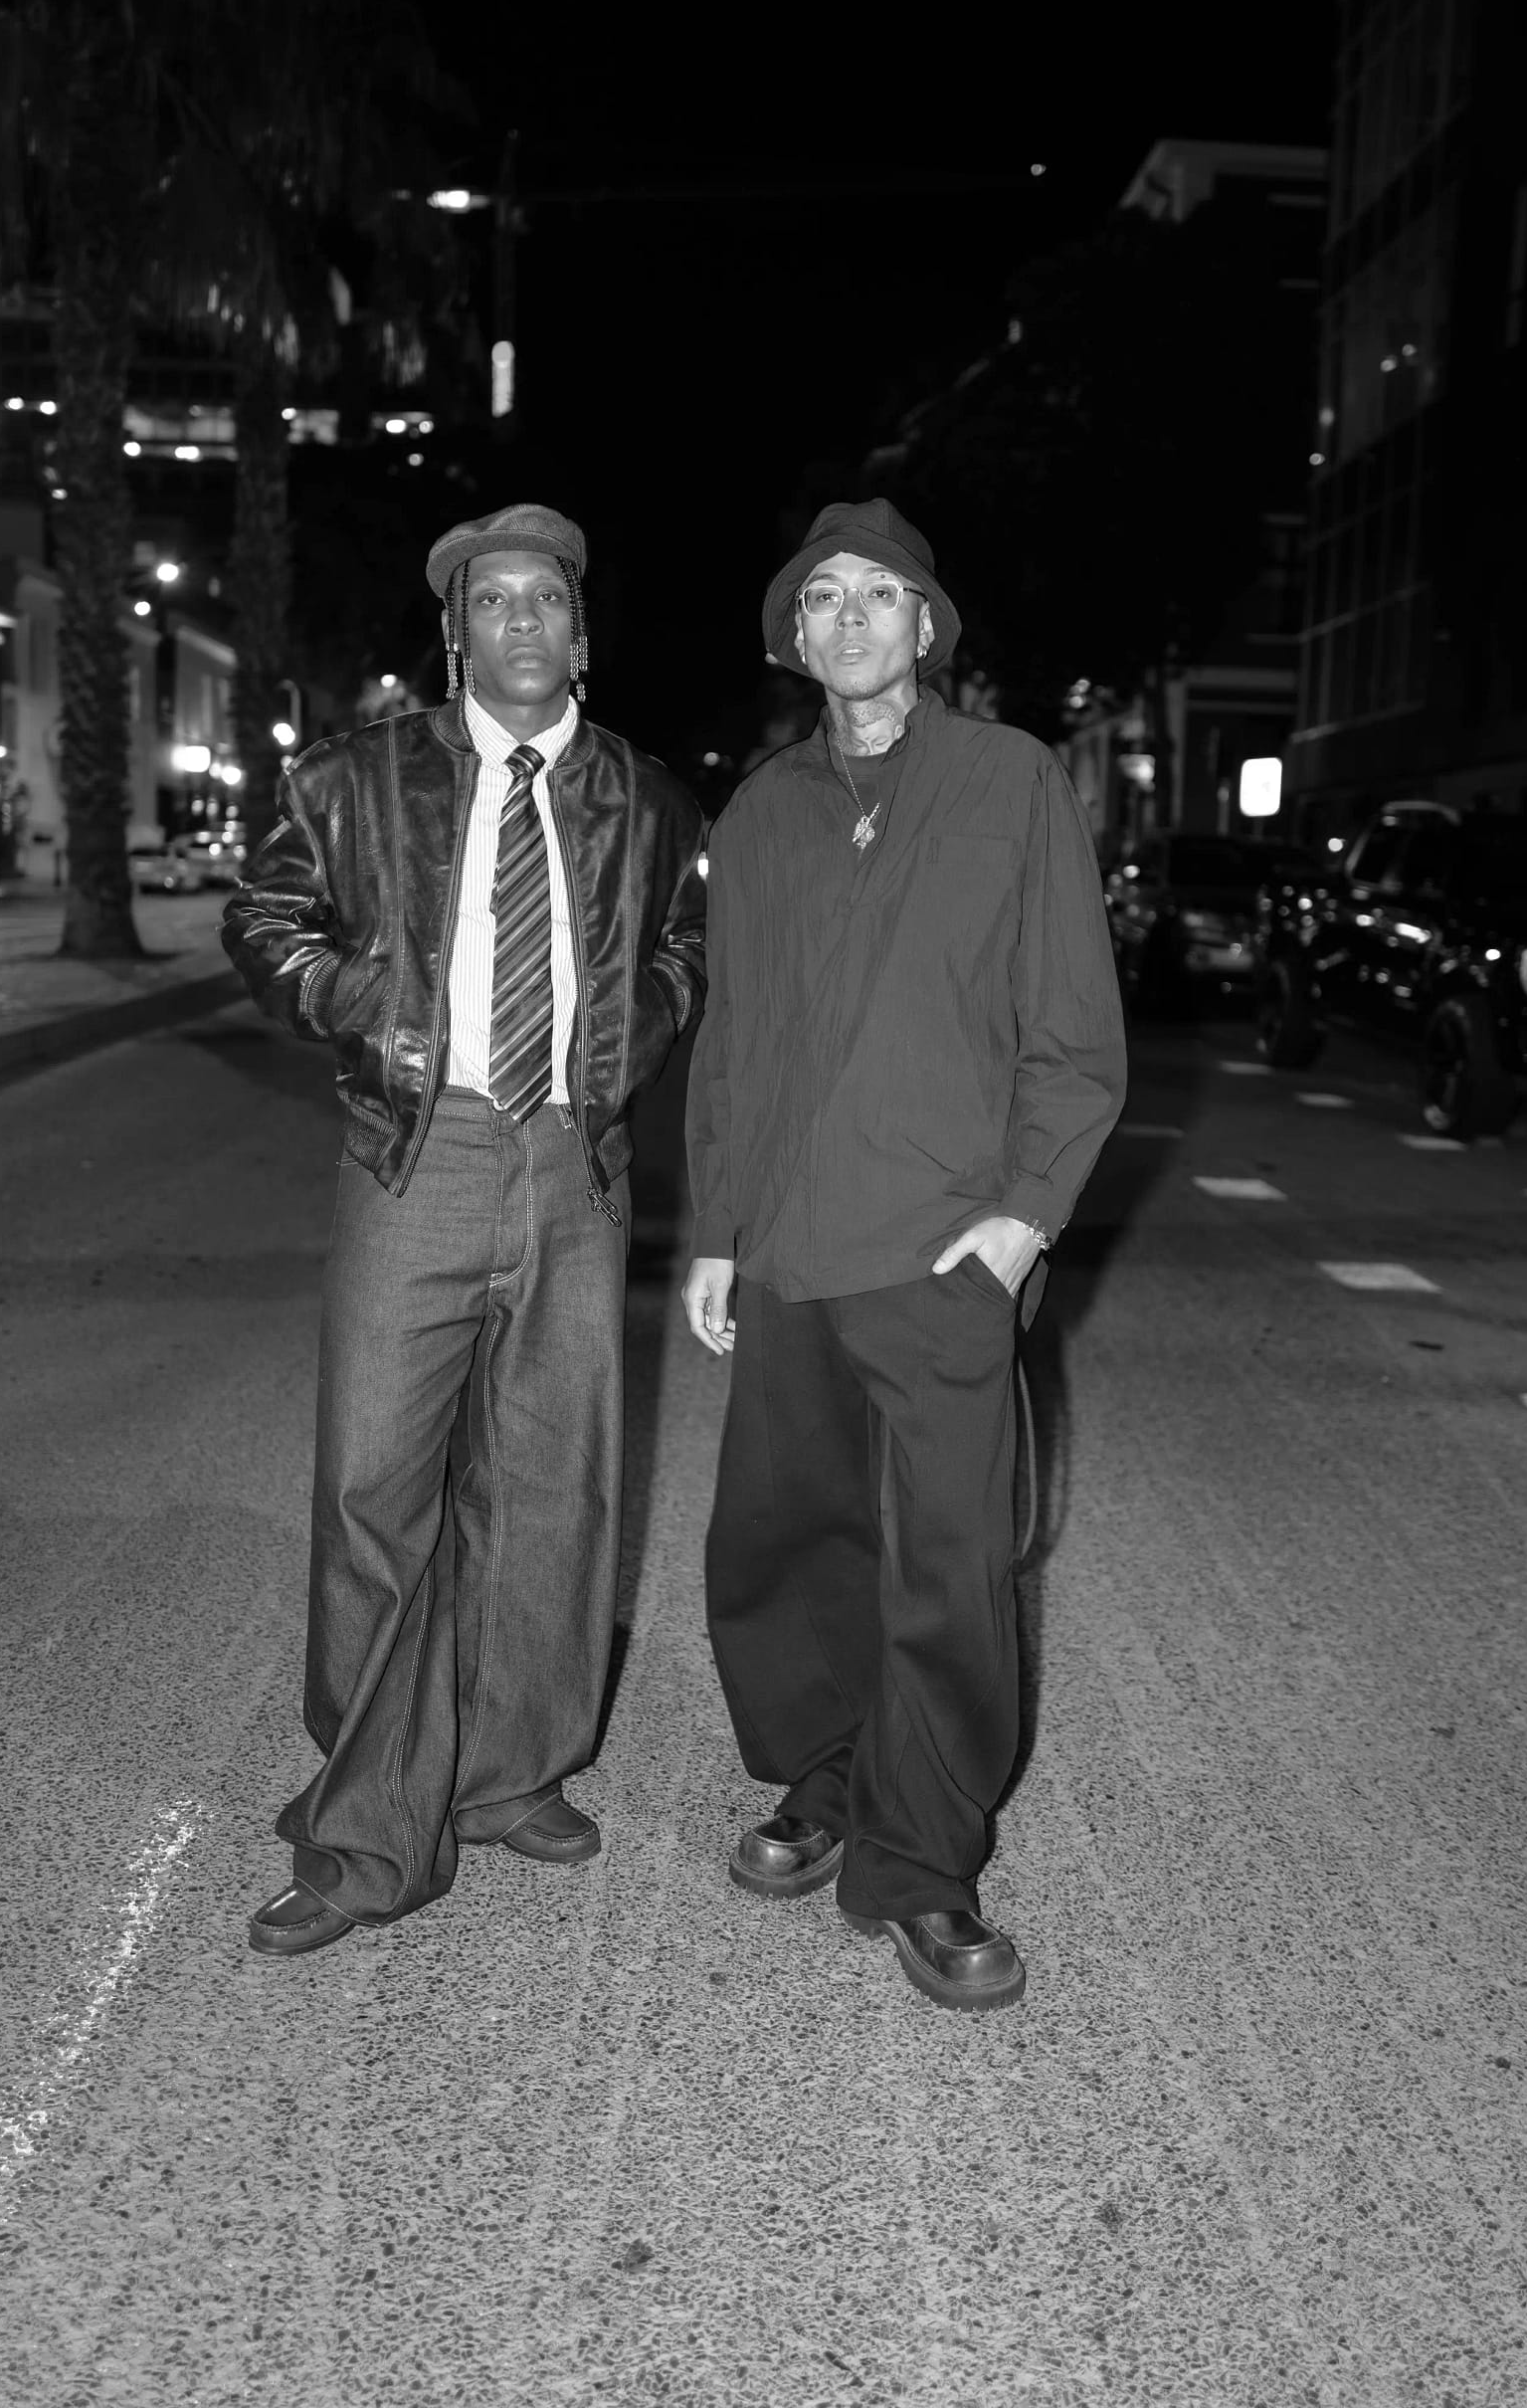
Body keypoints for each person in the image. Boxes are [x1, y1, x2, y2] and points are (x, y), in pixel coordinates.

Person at [223, 502, 705, 1957]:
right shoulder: (354, 778)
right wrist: (356, 999)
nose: (521, 622)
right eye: (492, 600)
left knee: (554, 1481)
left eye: (545, 598)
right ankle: (370, 1826)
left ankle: (508, 1773)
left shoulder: (649, 796)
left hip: (574, 1162)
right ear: (455, 632)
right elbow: (265, 918)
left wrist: (634, 1033)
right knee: (375, 1485)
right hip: (414, 1155)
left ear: (581, 630)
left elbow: (686, 943)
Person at [681, 498, 1125, 2014]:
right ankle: (827, 1774)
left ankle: (925, 1861)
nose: (852, 618)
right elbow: (733, 1044)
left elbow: (1073, 1030)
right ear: (793, 637)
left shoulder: (1010, 781)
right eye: (824, 599)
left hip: (945, 1251)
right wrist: (716, 1233)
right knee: (786, 1542)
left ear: (926, 628)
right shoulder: (757, 813)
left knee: (947, 1567)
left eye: (881, 594)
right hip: (790, 1247)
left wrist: (1021, 1220)